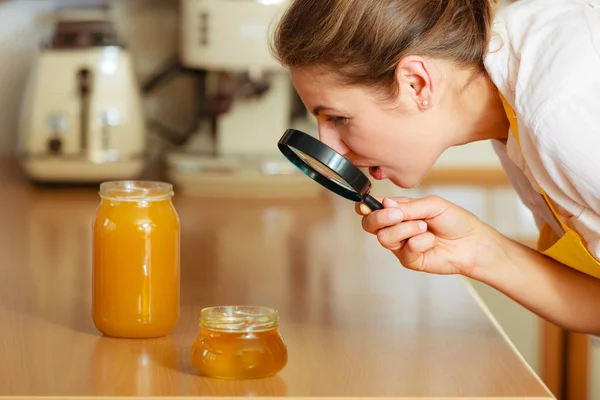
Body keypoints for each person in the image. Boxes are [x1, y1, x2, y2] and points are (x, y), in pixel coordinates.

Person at [270, 0, 600, 335]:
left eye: (338, 118)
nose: (330, 147)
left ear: (416, 83)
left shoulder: (559, 114)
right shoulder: (513, 111)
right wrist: (479, 251)